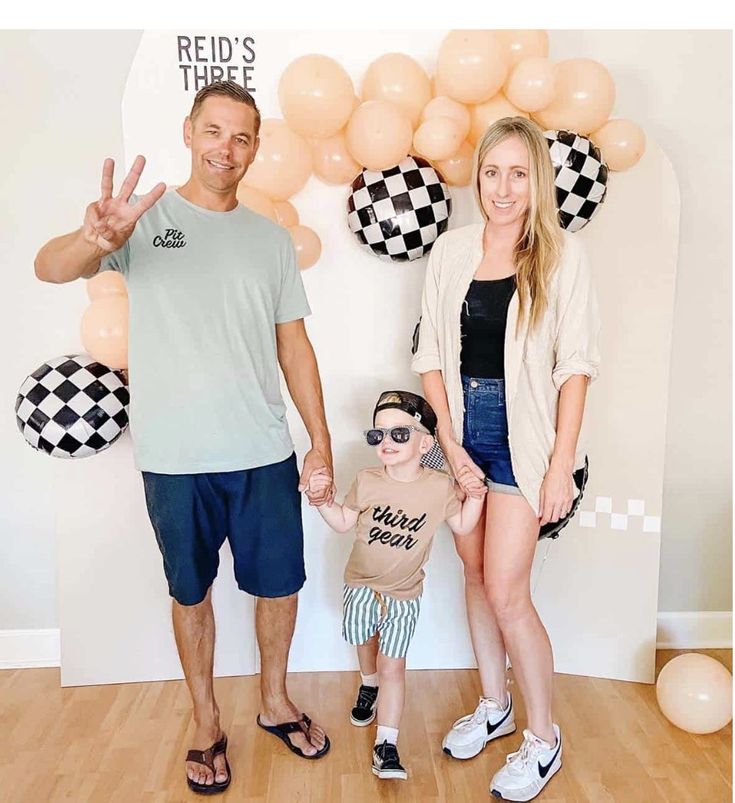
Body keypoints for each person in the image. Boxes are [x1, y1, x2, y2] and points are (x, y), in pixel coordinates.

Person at [34, 80, 335, 796]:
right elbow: (49, 268)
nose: (224, 148)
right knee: (190, 592)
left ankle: (273, 700)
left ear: (256, 147)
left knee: (279, 588)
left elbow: (294, 346)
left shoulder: (268, 242)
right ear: (188, 131)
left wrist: (318, 440)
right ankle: (205, 719)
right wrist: (92, 239)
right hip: (175, 458)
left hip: (263, 453)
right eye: (213, 131)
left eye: (240, 136)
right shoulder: (141, 221)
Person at [411, 116, 600, 801]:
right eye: (492, 171)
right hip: (462, 431)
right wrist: (449, 446)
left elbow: (574, 368)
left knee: (506, 591)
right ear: (478, 176)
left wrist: (558, 464)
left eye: (519, 173)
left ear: (537, 182)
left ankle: (542, 740)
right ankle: (494, 705)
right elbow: (430, 354)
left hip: (524, 442)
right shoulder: (450, 251)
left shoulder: (560, 256)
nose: (502, 187)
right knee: (471, 576)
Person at [306, 390, 486, 781]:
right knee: (364, 642)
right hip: (361, 586)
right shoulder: (367, 481)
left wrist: (475, 495)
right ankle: (367, 684)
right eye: (378, 435)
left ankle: (386, 744)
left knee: (394, 666)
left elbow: (463, 526)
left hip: (404, 596)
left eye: (399, 434)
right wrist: (321, 500)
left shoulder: (439, 488)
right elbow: (341, 522)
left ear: (425, 443)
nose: (385, 443)